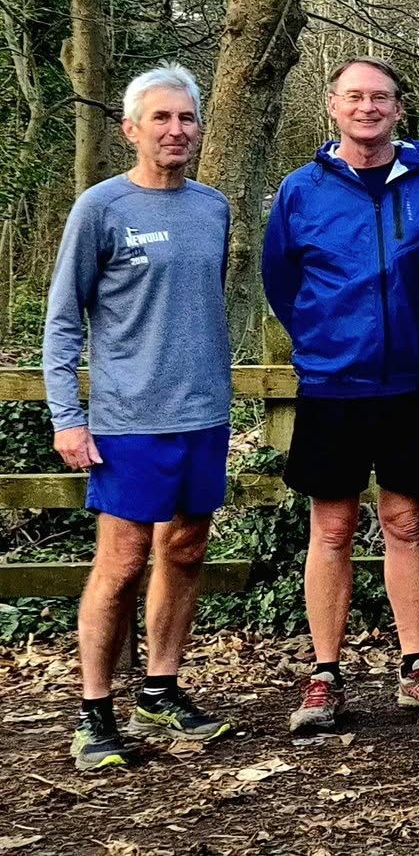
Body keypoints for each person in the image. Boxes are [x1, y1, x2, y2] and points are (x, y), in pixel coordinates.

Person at [262, 57, 419, 733]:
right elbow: (282, 282)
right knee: (333, 526)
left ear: (399, 109)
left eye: (380, 97)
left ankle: (416, 664)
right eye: (355, 96)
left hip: (412, 381)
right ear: (332, 105)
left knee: (404, 522)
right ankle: (324, 673)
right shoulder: (300, 190)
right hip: (333, 383)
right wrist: (325, 339)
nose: (368, 107)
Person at [46, 65, 232, 770]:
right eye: (161, 118)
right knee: (121, 562)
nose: (176, 129)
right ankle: (95, 712)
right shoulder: (101, 208)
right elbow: (64, 319)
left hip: (203, 415)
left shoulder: (212, 207)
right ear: (131, 128)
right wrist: (69, 415)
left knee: (185, 550)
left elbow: (198, 305)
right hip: (128, 421)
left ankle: (159, 689)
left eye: (186, 118)